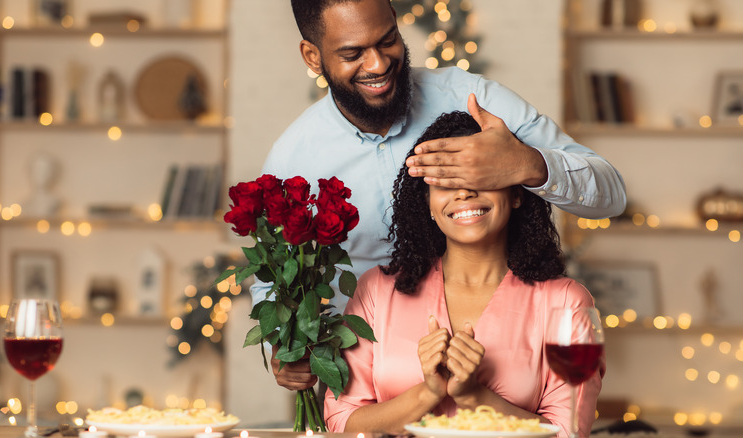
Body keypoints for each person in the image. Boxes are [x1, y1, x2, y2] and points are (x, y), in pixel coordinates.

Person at [256, 0, 624, 391]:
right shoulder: (292, 160)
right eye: (353, 53)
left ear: (397, 23)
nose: (378, 64)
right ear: (313, 56)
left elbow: (610, 195)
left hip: (501, 362)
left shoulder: (473, 99)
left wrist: (526, 163)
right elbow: (274, 276)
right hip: (366, 377)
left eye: (387, 41)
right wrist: (283, 344)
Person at [323, 111, 604, 436]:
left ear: (515, 194)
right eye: (445, 181)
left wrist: (474, 396)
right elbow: (341, 422)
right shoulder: (376, 290)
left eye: (481, 177)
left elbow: (570, 432)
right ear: (426, 203)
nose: (464, 192)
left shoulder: (568, 302)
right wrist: (428, 393)